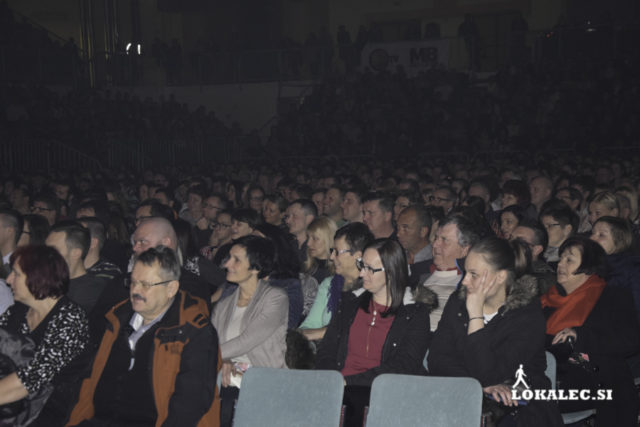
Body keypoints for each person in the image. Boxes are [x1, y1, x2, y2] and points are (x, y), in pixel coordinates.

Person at [67, 246, 221, 426]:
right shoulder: (118, 318)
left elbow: (190, 404)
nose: (135, 291)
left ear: (171, 288)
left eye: (145, 284)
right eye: (133, 282)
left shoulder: (194, 330)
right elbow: (89, 380)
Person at [428, 237, 562, 426]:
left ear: (500, 277)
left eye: (473, 274)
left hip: (520, 404)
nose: (464, 281)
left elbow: (491, 373)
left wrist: (475, 316)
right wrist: (478, 386)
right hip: (463, 395)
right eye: (465, 272)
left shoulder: (527, 314)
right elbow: (437, 358)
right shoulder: (457, 302)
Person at [315, 239, 432, 427]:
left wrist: (348, 382)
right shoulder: (349, 304)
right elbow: (327, 351)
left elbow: (404, 365)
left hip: (383, 394)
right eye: (362, 265)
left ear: (392, 273)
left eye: (370, 269)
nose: (362, 273)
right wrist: (328, 381)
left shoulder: (414, 313)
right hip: (338, 390)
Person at [541, 236, 640, 426]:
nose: (560, 264)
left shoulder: (612, 296)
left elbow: (630, 340)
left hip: (592, 374)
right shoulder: (547, 300)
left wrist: (580, 336)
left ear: (588, 267)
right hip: (550, 375)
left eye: (569, 260)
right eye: (561, 258)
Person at [1, 245, 90, 426]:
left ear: (38, 277)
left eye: (16, 274)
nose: (9, 280)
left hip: (50, 412)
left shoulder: (70, 318)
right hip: (13, 405)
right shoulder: (17, 312)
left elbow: (31, 379)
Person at [211, 235, 288, 427]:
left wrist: (210, 355)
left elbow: (247, 340)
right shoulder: (223, 306)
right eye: (229, 257)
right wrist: (224, 360)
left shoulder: (275, 299)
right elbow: (213, 341)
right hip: (226, 380)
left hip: (263, 380)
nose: (227, 263)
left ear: (255, 268)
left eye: (236, 259)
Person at [299, 222, 374, 341]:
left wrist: (322, 333)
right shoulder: (329, 284)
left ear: (357, 255)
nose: (331, 257)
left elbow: (355, 331)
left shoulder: (371, 289)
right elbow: (310, 324)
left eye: (337, 252)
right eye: (332, 251)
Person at [421, 214, 481, 331]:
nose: (435, 244)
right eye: (436, 238)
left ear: (464, 250)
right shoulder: (418, 274)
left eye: (444, 240)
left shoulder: (469, 283)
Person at [590, 216, 640, 321]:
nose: (592, 238)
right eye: (592, 233)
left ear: (619, 241)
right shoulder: (590, 268)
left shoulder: (633, 269)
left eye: (601, 235)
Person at [396, 205, 433, 289]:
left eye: (405, 228)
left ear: (423, 231)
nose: (398, 234)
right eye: (398, 228)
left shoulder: (435, 260)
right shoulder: (397, 256)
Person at [303, 217, 337, 284]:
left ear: (329, 240)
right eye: (308, 237)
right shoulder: (306, 268)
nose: (308, 243)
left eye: (315, 238)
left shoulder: (338, 272)